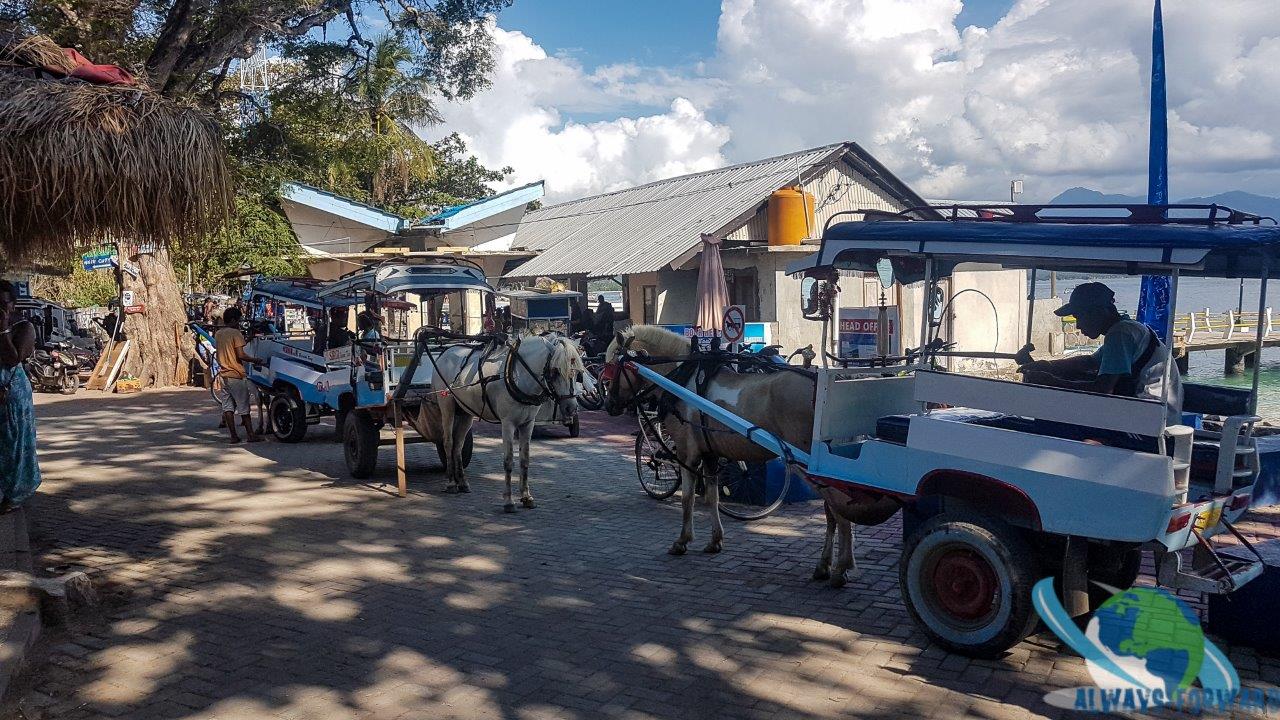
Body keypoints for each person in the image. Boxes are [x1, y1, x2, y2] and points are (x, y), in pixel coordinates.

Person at [1018, 282, 1183, 424]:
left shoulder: (1120, 333)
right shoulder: (1128, 327)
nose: (1078, 326)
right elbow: (1090, 361)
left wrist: (1051, 382)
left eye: (1079, 317)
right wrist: (1047, 366)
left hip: (1149, 422)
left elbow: (1103, 389)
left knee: (1053, 422)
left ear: (1098, 312)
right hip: (1157, 415)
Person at [0, 280, 40, 509]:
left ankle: (14, 495)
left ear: (13, 305)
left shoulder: (23, 327)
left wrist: (3, 328)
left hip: (12, 392)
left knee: (14, 442)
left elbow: (13, 358)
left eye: (3, 303)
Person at [214, 307, 265, 444]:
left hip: (223, 374)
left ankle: (233, 436)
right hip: (236, 374)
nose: (239, 323)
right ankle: (250, 435)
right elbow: (240, 355)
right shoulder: (236, 333)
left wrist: (245, 340)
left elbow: (228, 348)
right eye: (238, 320)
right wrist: (256, 360)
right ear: (233, 320)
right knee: (243, 407)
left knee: (228, 407)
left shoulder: (218, 334)